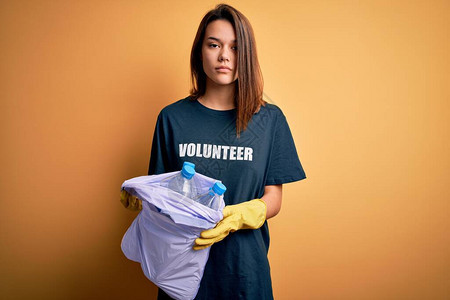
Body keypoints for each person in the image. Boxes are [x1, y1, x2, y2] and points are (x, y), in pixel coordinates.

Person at [120, 4, 306, 300]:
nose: (224, 56)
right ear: (200, 51)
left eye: (235, 47)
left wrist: (246, 213)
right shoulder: (172, 118)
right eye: (214, 44)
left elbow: (274, 197)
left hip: (246, 274)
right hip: (182, 276)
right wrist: (141, 196)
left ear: (246, 54)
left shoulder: (269, 121)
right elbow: (161, 195)